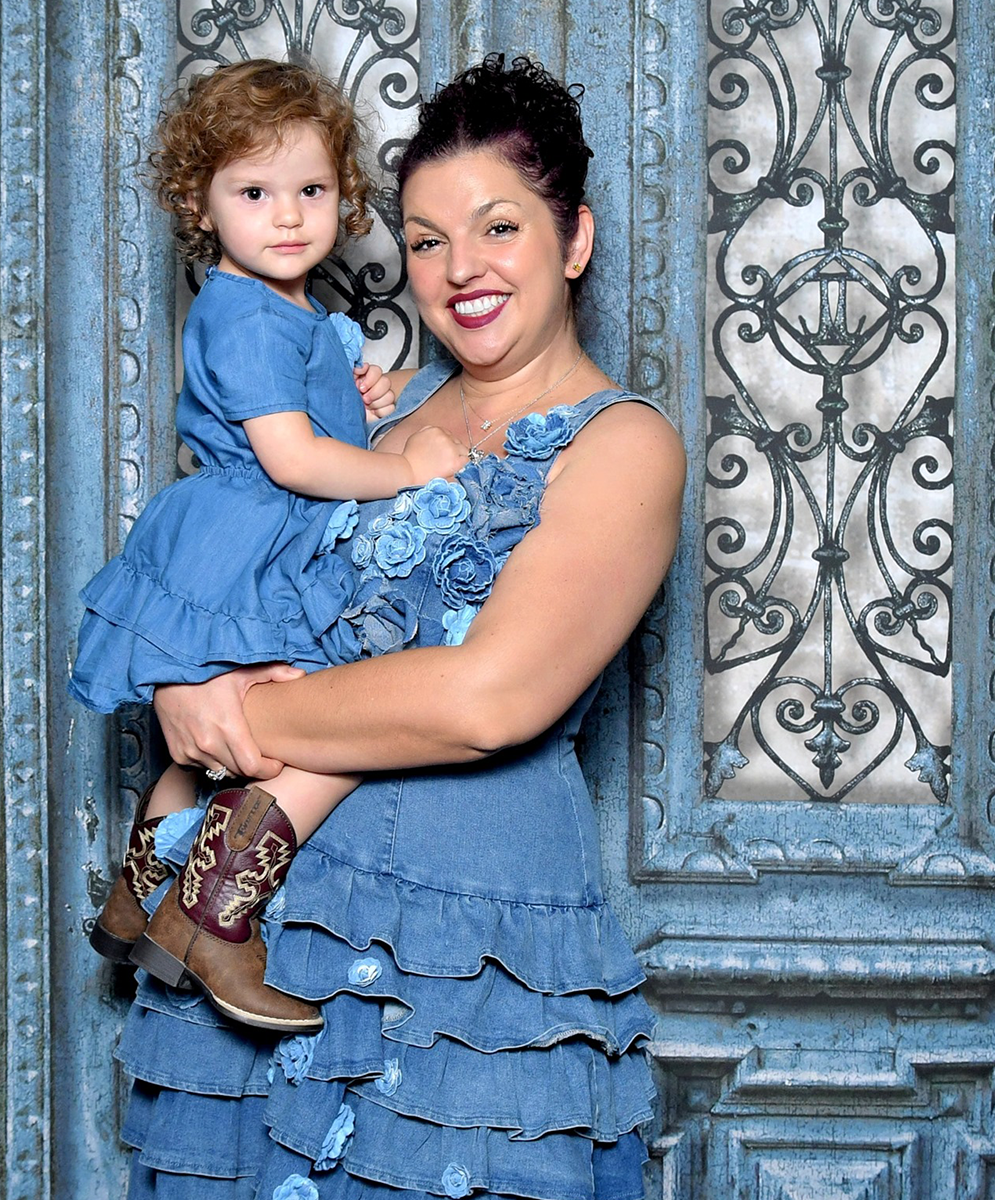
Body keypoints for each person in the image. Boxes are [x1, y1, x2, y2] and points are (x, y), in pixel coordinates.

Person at [117, 55, 685, 1200]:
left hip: (472, 976)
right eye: (426, 241)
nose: (460, 269)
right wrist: (181, 681)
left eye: (497, 227)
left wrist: (231, 708)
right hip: (269, 939)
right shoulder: (373, 414)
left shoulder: (622, 446)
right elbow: (248, 580)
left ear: (573, 239)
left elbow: (489, 700)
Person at [69, 58, 468, 1034]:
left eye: (312, 191)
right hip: (246, 539)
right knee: (281, 720)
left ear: (342, 195)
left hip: (266, 532)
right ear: (200, 205)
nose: (288, 216)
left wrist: (361, 399)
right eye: (254, 192)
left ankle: (139, 897)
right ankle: (217, 919)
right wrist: (408, 469)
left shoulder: (293, 310)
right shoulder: (242, 313)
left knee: (224, 738)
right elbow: (291, 457)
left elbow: (306, 415)